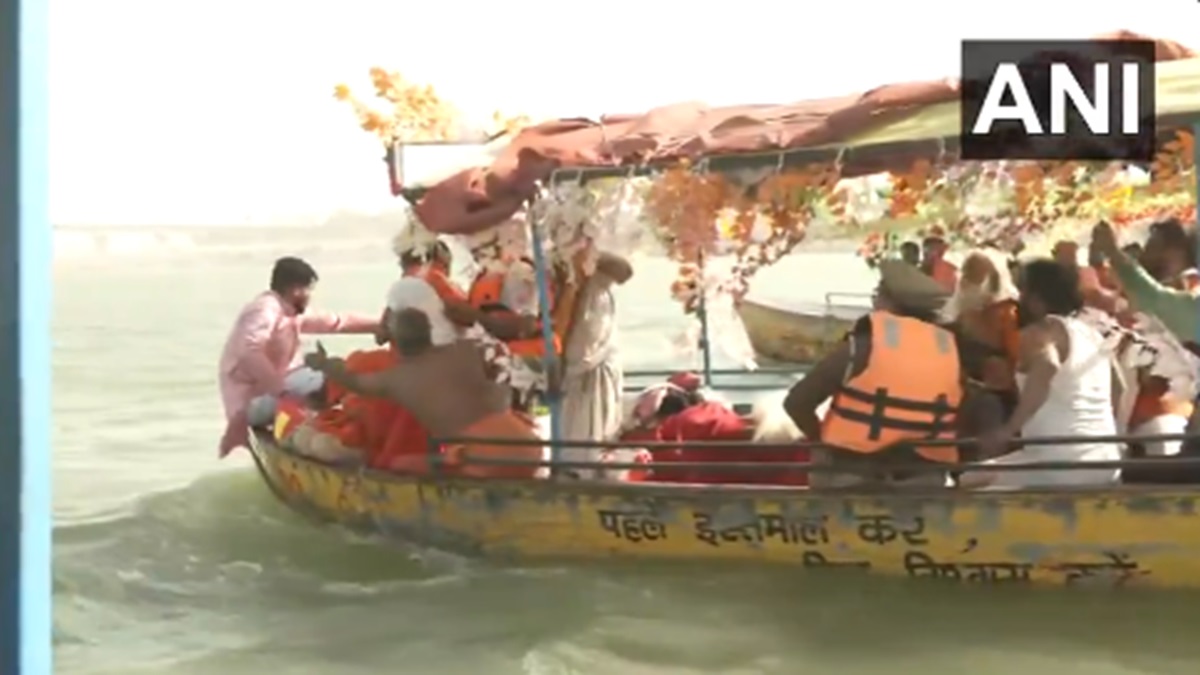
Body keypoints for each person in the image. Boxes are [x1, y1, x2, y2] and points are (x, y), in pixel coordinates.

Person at [304, 278, 546, 480]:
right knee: (445, 448)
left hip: (482, 461)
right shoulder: (466, 350)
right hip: (531, 449)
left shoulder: (392, 377)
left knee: (402, 465)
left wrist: (323, 364)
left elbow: (353, 383)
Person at [783, 260, 977, 488]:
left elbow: (797, 402)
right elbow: (964, 410)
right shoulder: (950, 350)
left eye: (877, 294)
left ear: (889, 302)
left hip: (850, 475)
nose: (874, 301)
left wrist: (820, 441)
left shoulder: (861, 347)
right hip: (921, 480)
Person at [967, 259, 1122, 488]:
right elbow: (1120, 387)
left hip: (1059, 463)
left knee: (966, 482)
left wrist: (1008, 430)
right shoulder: (1093, 335)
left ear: (1035, 299)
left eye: (1022, 291)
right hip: (1107, 462)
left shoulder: (1040, 331)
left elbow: (1047, 365)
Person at [217, 257, 377, 456]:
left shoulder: (289, 311)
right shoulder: (264, 310)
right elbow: (249, 352)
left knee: (339, 371)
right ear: (296, 290)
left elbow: (338, 322)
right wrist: (280, 391)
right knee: (340, 375)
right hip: (251, 404)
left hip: (274, 392)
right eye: (309, 290)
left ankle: (330, 425)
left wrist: (381, 325)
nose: (311, 296)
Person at [558, 251, 634, 476]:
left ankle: (578, 471)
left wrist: (564, 368)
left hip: (590, 376)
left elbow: (583, 346)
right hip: (597, 371)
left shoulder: (595, 294)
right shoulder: (599, 292)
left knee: (581, 430)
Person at [941, 250, 1021, 411]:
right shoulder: (954, 324)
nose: (965, 282)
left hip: (998, 403)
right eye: (966, 275)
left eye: (974, 278)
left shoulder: (1007, 316)